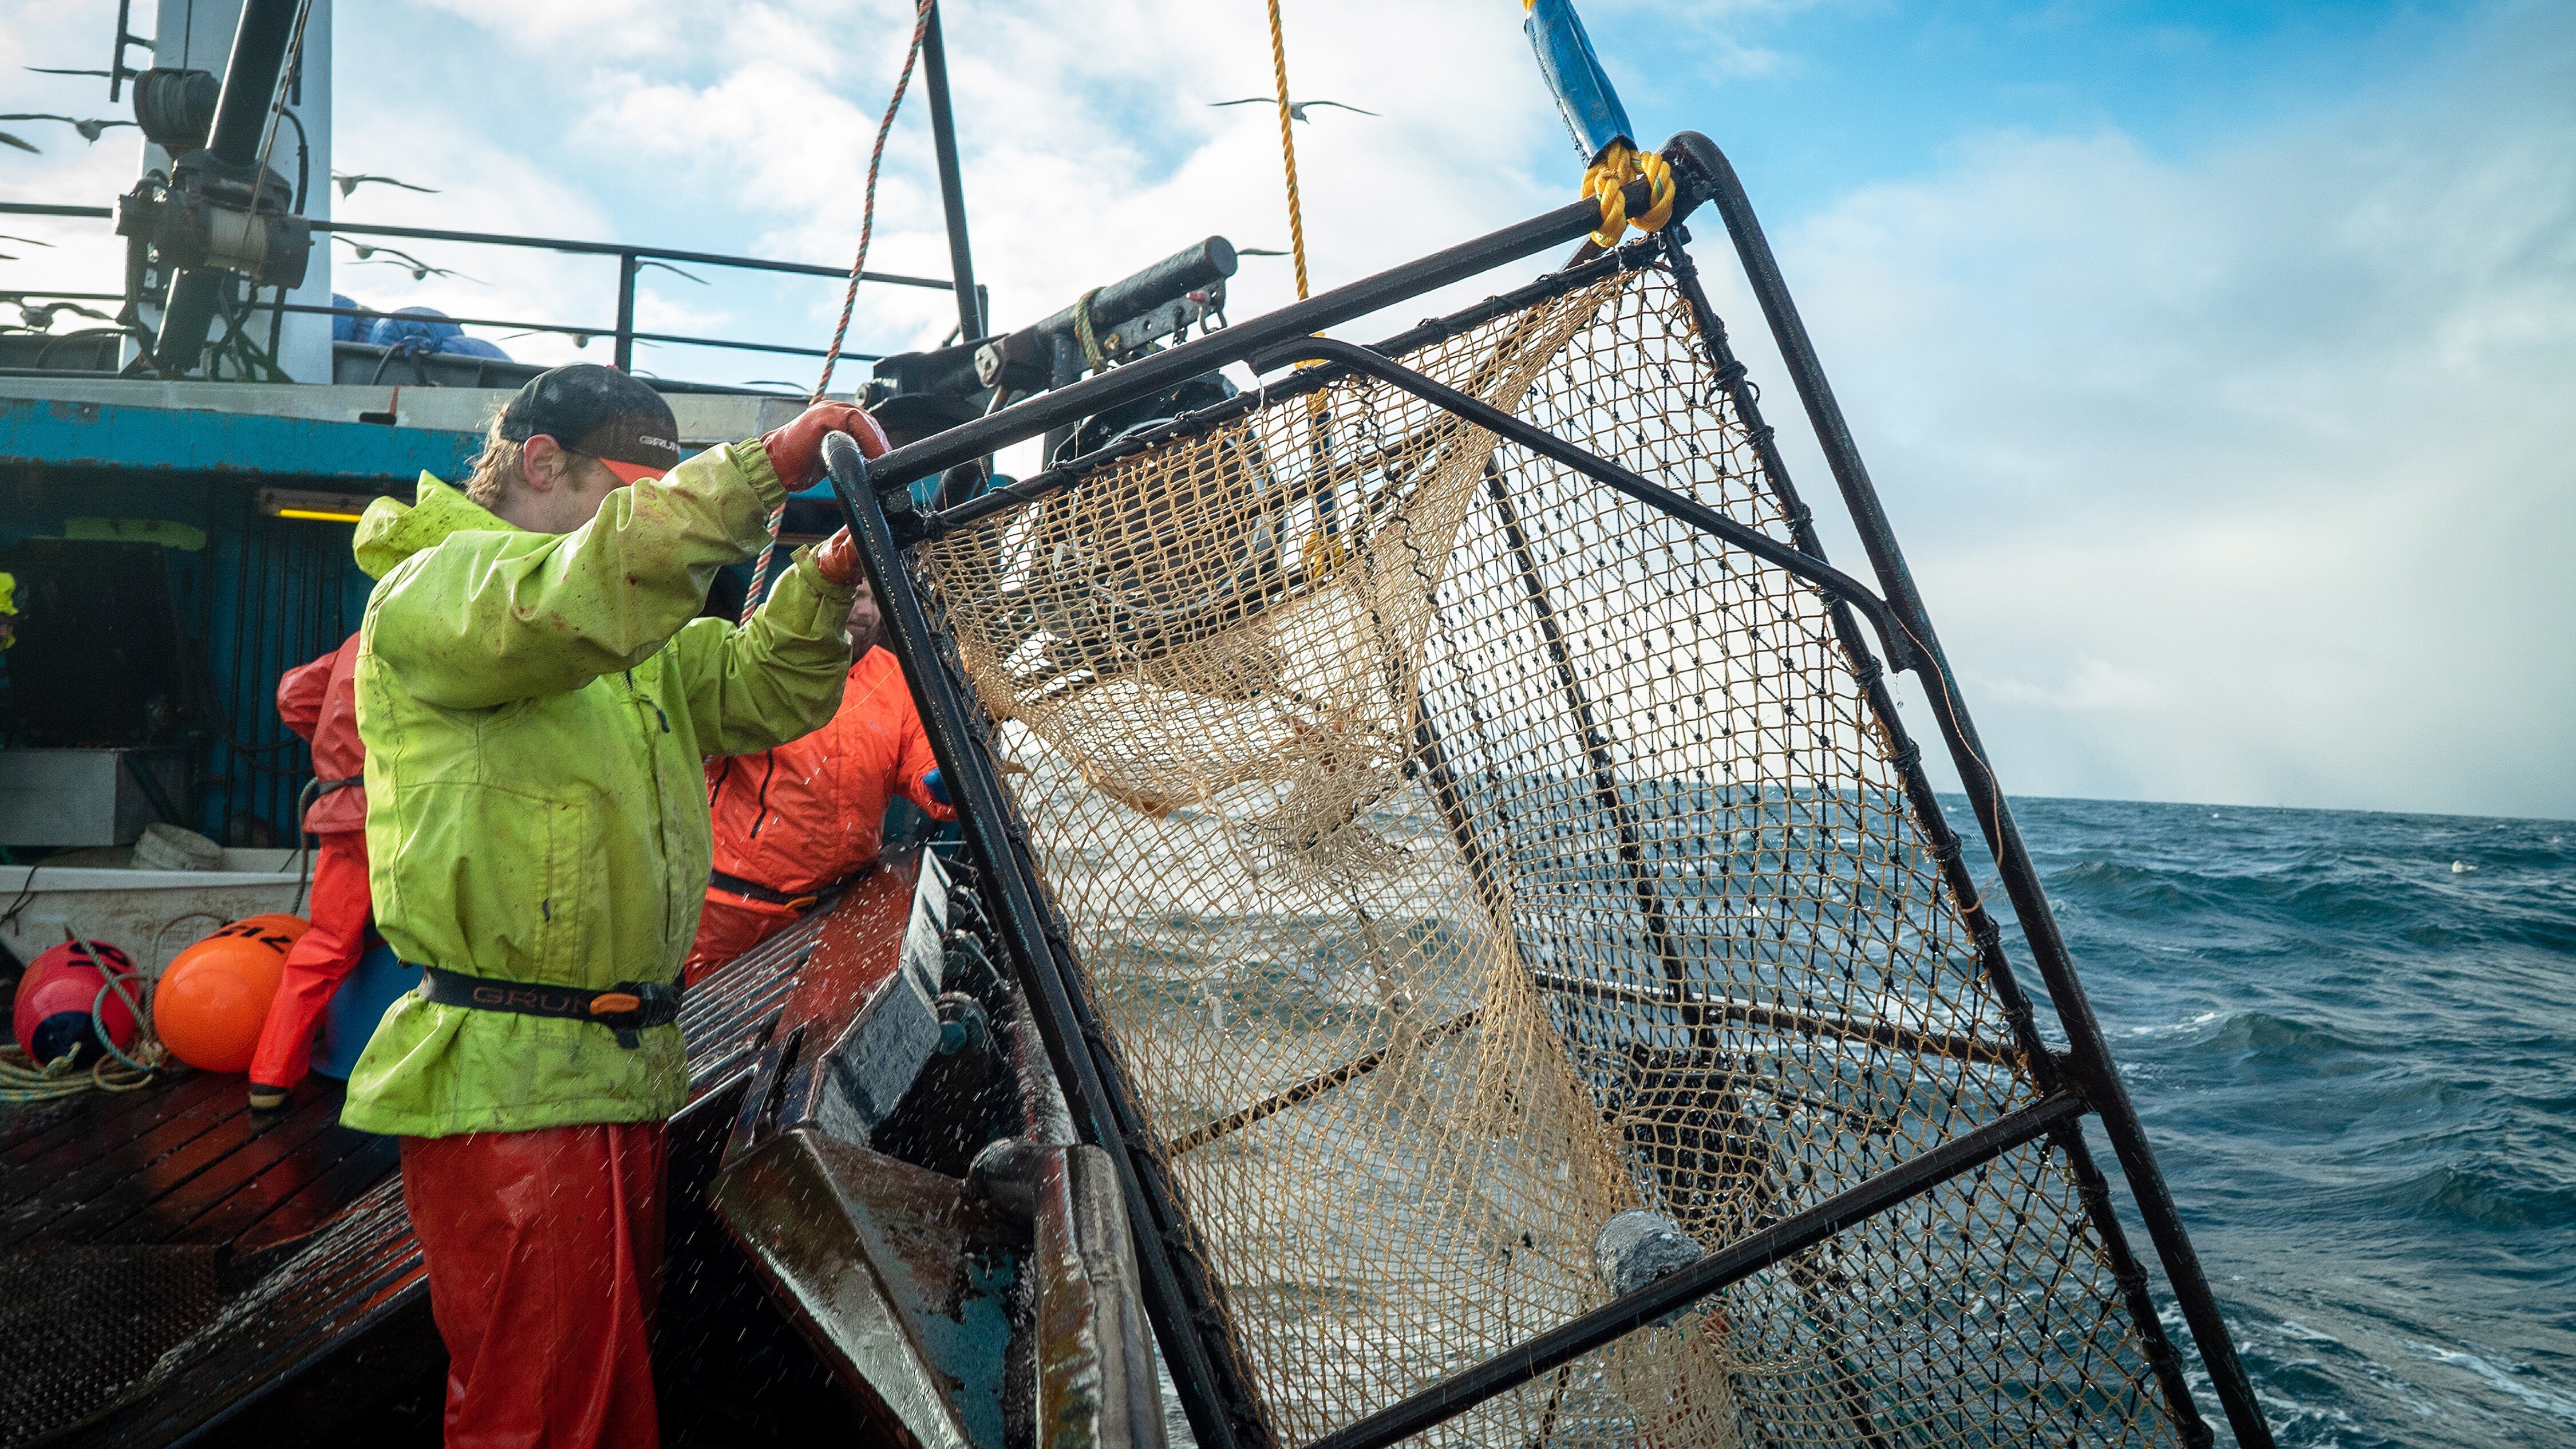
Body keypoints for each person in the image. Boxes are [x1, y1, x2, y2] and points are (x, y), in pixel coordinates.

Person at [338, 364, 883, 1448]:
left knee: (603, 1396)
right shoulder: (441, 587)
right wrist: (762, 471)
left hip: (617, 1074)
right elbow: (572, 597)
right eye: (634, 497)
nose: (651, 528)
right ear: (543, 462)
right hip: (514, 1087)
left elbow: (761, 687)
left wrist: (823, 581)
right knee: (541, 1416)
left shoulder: (627, 638)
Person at [685, 574, 953, 982]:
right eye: (856, 596)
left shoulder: (897, 679)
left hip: (834, 912)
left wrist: (942, 782)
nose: (867, 613)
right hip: (730, 910)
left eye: (875, 601)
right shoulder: (762, 662)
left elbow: (921, 755)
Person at [245, 630, 369, 1116]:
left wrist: (338, 751)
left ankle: (269, 1078)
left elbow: (294, 695)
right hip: (407, 817)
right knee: (450, 946)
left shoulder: (360, 638)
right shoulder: (441, 627)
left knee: (325, 946)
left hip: (340, 812)